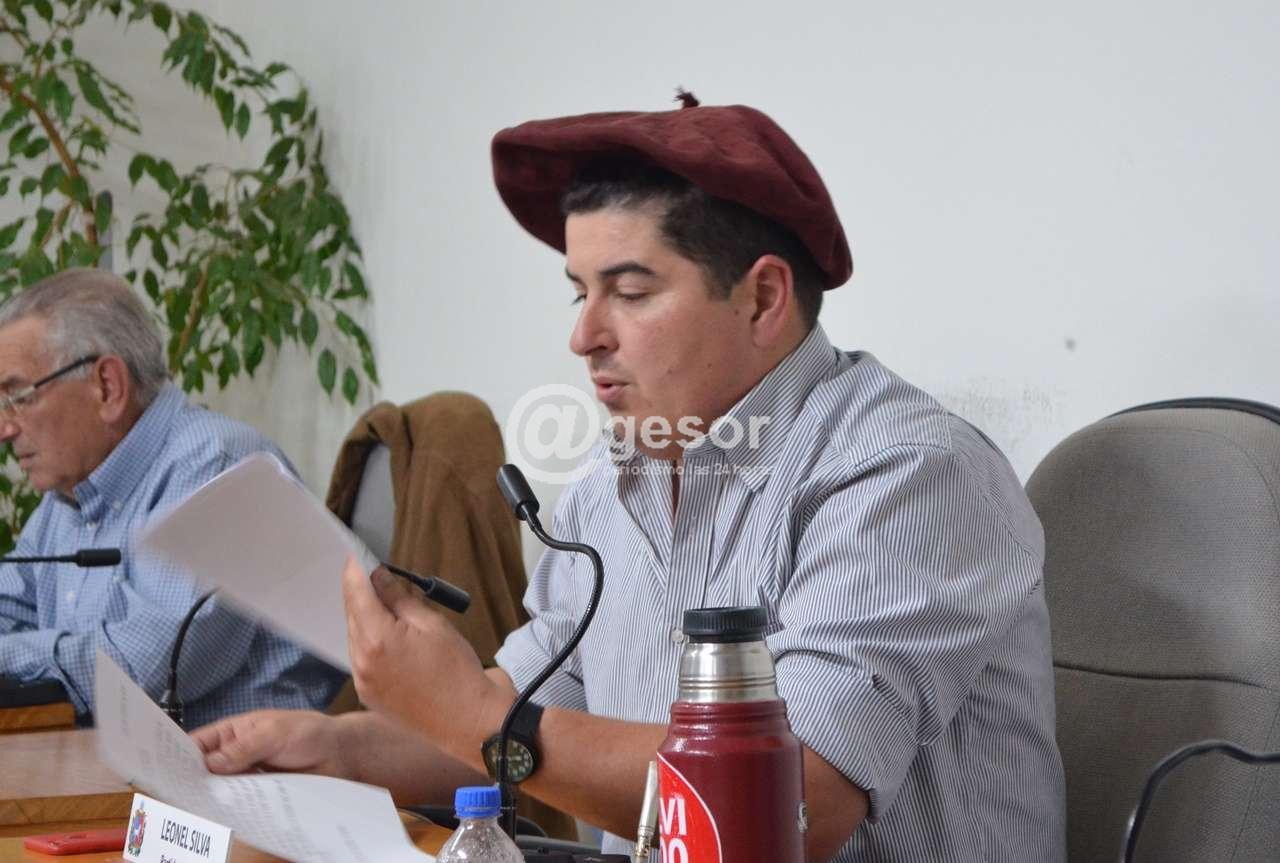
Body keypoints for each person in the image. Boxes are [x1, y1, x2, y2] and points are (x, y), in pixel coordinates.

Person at [194, 97, 1066, 861]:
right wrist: (339, 749)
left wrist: (473, 716)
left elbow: (792, 805)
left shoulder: (910, 473)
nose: (585, 336)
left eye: (632, 291)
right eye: (580, 292)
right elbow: (524, 710)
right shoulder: (612, 480)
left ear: (763, 299)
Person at [0, 268, 344, 727]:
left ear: (107, 386)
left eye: (19, 397)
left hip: (230, 768)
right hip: (109, 759)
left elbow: (138, 670)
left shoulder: (216, 467)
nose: (5, 428)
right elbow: (10, 605)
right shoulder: (69, 494)